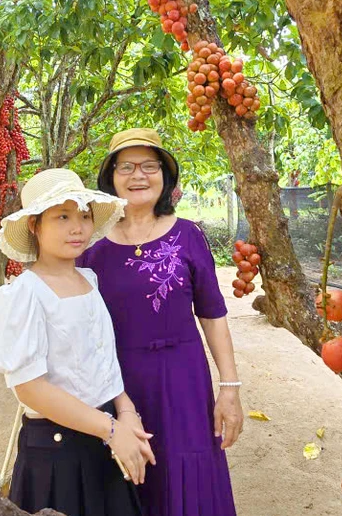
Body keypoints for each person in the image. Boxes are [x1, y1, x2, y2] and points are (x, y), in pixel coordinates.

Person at [79, 128, 242, 516]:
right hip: (119, 383)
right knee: (128, 474)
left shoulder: (188, 236)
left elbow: (213, 315)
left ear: (165, 177)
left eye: (150, 166)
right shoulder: (90, 248)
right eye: (127, 167)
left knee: (190, 468)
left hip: (184, 378)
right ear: (110, 178)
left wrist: (230, 388)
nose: (139, 175)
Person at [0, 168, 155, 516]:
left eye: (84, 216)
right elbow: (30, 389)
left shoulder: (89, 280)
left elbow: (102, 359)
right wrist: (111, 430)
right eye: (62, 216)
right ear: (35, 225)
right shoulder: (23, 294)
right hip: (57, 453)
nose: (77, 227)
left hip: (104, 440)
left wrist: (126, 411)